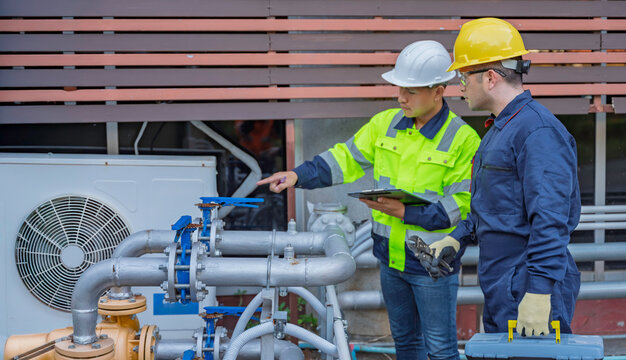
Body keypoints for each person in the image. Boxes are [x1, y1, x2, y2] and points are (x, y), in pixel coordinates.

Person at [257, 40, 480, 360]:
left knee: (441, 350)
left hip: (433, 263)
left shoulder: (463, 139)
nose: (401, 97)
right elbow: (343, 158)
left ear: (438, 90)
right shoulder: (384, 124)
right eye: (399, 88)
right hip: (390, 259)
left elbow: (462, 205)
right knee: (405, 343)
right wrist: (297, 175)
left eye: (411, 91)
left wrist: (404, 211)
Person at [424, 18, 582, 336]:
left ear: (491, 77)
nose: (459, 86)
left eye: (463, 76)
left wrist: (538, 293)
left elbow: (550, 220)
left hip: (529, 286)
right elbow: (500, 205)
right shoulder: (502, 128)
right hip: (505, 285)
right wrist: (459, 236)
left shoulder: (537, 131)